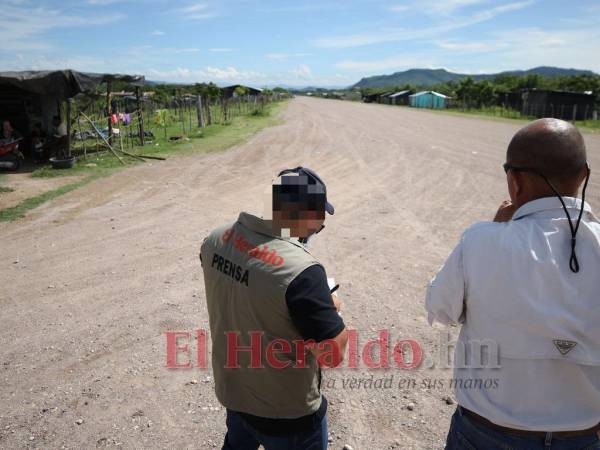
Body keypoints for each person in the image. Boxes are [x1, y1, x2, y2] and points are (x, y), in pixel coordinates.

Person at [426, 118, 600, 450]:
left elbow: (440, 309)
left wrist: (494, 230)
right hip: (581, 436)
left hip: (486, 434)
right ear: (583, 175)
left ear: (514, 181)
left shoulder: (481, 241)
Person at [200, 167, 348, 450]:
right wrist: (331, 309)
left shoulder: (216, 239)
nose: (318, 228)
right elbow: (333, 354)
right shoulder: (302, 271)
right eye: (319, 220)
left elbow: (246, 288)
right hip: (287, 415)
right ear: (303, 215)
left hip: (234, 393)